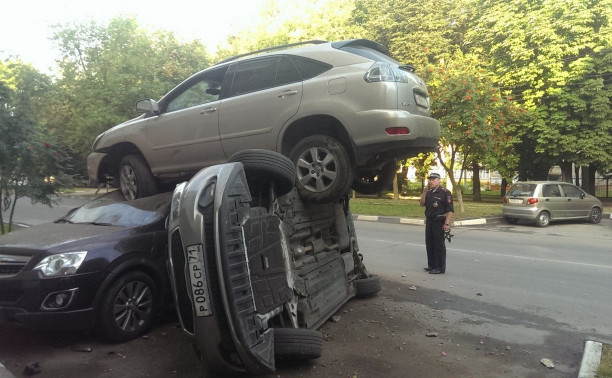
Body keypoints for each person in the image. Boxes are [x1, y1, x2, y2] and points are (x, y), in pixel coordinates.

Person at [419, 172, 454, 274]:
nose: (431, 181)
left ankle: (440, 267)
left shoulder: (445, 192)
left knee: (438, 244)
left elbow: (450, 210)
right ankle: (432, 265)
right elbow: (421, 204)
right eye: (430, 179)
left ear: (439, 180)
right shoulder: (429, 192)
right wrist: (424, 192)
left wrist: (447, 223)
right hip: (430, 220)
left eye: (434, 179)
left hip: (439, 221)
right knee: (429, 243)